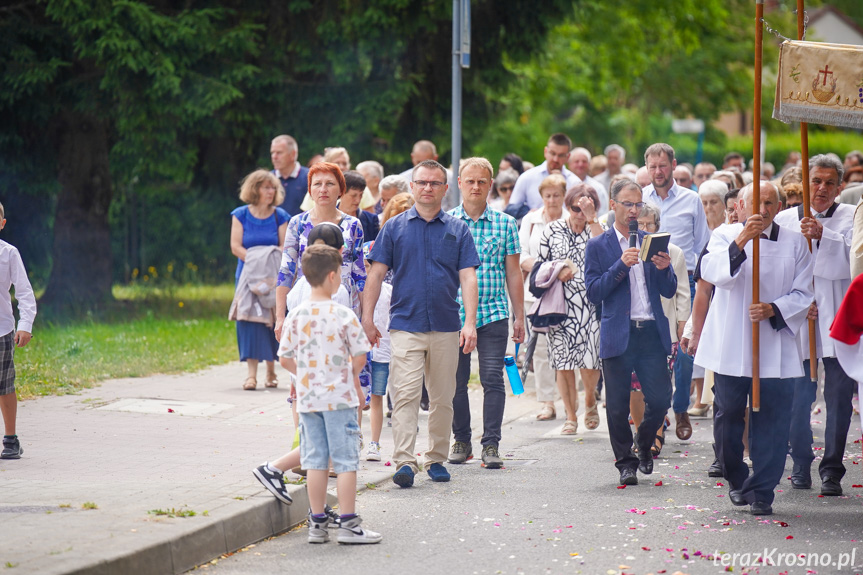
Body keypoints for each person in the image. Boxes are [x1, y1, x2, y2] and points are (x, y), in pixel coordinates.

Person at [695, 181, 813, 516]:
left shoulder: (795, 243)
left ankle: (762, 491)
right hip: (733, 343)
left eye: (769, 203)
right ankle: (736, 477)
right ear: (741, 206)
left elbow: (804, 292)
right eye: (755, 203)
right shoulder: (723, 235)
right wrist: (743, 240)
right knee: (729, 415)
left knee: (773, 421)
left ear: (779, 208)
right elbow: (712, 272)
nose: (762, 210)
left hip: (774, 345)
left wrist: (774, 308)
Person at [362, 159, 479, 488]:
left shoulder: (458, 230)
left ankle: (436, 458)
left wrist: (470, 323)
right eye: (422, 182)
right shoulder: (395, 227)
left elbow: (468, 277)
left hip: (446, 325)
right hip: (405, 325)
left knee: (443, 397)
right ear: (412, 187)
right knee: (406, 395)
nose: (428, 188)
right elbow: (376, 274)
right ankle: (404, 461)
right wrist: (368, 319)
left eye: (434, 183)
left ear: (445, 189)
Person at [279, 244, 381, 545]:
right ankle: (349, 524)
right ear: (334, 277)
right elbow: (360, 355)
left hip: (309, 401)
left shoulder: (295, 315)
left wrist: (305, 376)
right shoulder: (344, 315)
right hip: (340, 398)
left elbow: (285, 358)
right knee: (346, 460)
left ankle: (317, 524)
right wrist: (350, 375)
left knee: (315, 461)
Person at [584, 179, 677, 486]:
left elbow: (669, 289)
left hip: (650, 330)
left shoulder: (652, 240)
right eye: (628, 204)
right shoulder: (599, 246)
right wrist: (620, 266)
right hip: (619, 331)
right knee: (617, 404)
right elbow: (594, 292)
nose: (634, 211)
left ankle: (645, 442)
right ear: (613, 205)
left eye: (638, 204)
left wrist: (665, 268)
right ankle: (626, 462)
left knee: (662, 397)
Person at [774, 154, 855, 495]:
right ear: (804, 183)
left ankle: (832, 469)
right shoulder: (783, 219)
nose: (821, 188)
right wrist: (795, 304)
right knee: (797, 397)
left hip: (836, 319)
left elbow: (855, 261)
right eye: (815, 181)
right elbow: (776, 273)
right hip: (800, 320)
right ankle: (801, 464)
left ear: (840, 187)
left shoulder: (852, 217)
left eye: (828, 183)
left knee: (837, 397)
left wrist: (825, 235)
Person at [447, 158, 524, 468]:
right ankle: (461, 440)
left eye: (482, 181)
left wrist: (519, 316)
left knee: (492, 378)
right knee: (456, 381)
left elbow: (514, 273)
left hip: (493, 312)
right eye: (470, 181)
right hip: (453, 314)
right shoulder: (447, 222)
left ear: (490, 184)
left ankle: (490, 444)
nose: (476, 186)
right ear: (460, 184)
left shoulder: (506, 223)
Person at [642, 143, 710, 440]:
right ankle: (654, 417)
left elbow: (702, 244)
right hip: (647, 287)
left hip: (686, 283)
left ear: (673, 165)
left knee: (684, 351)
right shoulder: (638, 199)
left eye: (663, 166)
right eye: (653, 166)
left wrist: (701, 284)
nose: (658, 171)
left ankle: (681, 409)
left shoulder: (691, 200)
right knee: (652, 353)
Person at [536, 183, 604, 434]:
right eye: (576, 207)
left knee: (590, 360)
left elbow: (607, 252)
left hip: (591, 304)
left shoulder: (598, 228)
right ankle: (570, 416)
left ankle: (589, 401)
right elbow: (539, 265)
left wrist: (592, 218)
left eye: (585, 207)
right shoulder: (552, 230)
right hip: (560, 304)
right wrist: (556, 270)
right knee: (562, 363)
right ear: (568, 206)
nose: (579, 212)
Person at [275, 162, 366, 338]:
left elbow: (360, 274)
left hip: (344, 304)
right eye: (317, 184)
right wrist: (280, 317)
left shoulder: (353, 225)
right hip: (306, 302)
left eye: (330, 184)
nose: (323, 189)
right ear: (310, 190)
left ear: (341, 190)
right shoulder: (297, 223)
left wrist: (367, 318)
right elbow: (286, 271)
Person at [630, 203, 690, 456]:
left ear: (658, 227)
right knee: (634, 384)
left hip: (663, 329)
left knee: (657, 385)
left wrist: (682, 325)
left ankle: (656, 431)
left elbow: (683, 292)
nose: (644, 229)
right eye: (640, 224)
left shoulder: (673, 252)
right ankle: (640, 433)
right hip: (633, 330)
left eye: (649, 224)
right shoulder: (629, 251)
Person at [230, 170, 289, 390]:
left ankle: (272, 371)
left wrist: (265, 263)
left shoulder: (280, 216)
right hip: (247, 277)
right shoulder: (240, 214)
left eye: (273, 187)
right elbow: (236, 246)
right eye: (266, 187)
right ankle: (251, 375)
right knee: (249, 321)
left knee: (273, 320)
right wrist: (257, 262)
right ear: (254, 189)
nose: (270, 191)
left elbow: (285, 246)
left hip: (274, 276)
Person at [519, 175, 568, 420]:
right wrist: (547, 270)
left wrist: (557, 272)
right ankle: (547, 401)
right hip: (536, 292)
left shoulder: (571, 220)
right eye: (547, 195)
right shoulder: (530, 220)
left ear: (563, 196)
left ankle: (570, 402)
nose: (552, 200)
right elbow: (521, 254)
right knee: (539, 350)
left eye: (556, 195)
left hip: (566, 293)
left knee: (566, 347)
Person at [0, 202, 36, 460]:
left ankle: (10, 440)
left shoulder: (8, 254)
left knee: (5, 386)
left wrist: (25, 326)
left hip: (1, 331)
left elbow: (24, 292)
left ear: (2, 223)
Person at [508, 133, 580, 210]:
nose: (555, 159)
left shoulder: (575, 183)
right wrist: (529, 213)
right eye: (552, 153)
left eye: (561, 155)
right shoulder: (527, 178)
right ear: (545, 152)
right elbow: (512, 208)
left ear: (568, 157)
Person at [399, 140, 458, 210]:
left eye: (435, 184)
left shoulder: (451, 178)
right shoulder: (402, 180)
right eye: (421, 183)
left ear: (435, 158)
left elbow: (456, 204)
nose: (427, 188)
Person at [271, 135, 309, 218]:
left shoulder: (310, 178)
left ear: (293, 154)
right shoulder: (267, 179)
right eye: (272, 152)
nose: (274, 157)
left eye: (279, 152)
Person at [568, 147, 609, 216]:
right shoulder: (563, 184)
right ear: (569, 164)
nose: (580, 164)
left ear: (589, 164)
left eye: (584, 161)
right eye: (577, 161)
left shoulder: (598, 188)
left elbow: (603, 213)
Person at [339, 171, 379, 242]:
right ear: (341, 193)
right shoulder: (327, 217)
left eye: (361, 195)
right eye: (353, 195)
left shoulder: (371, 219)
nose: (358, 200)